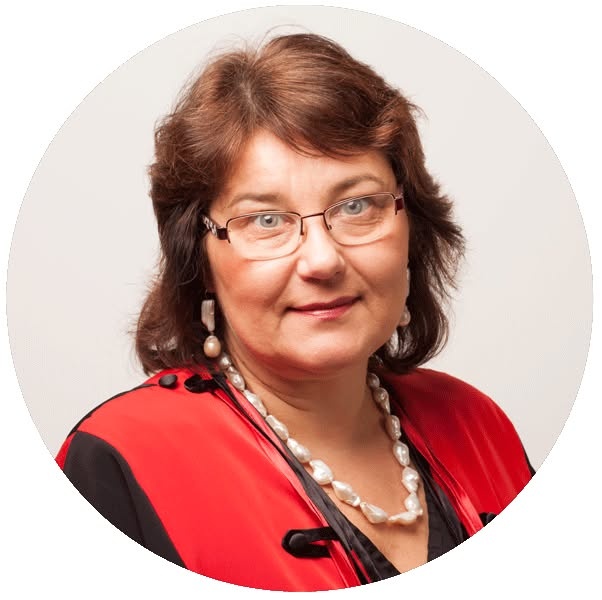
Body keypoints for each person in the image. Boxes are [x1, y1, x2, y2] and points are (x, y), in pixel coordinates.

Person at [56, 32, 535, 591]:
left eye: (357, 205)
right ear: (200, 260)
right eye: (265, 220)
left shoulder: (479, 425)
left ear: (413, 230)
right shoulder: (117, 465)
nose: (322, 260)